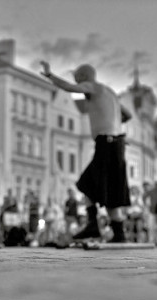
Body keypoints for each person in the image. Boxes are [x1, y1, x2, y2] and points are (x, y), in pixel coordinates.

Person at [40, 61, 131, 242]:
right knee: (110, 190)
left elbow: (69, 87)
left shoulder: (93, 87)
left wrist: (50, 76)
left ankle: (92, 225)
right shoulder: (110, 93)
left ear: (82, 77)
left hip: (106, 143)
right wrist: (114, 123)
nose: (79, 84)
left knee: (85, 183)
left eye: (77, 79)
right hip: (117, 144)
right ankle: (119, 233)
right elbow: (127, 115)